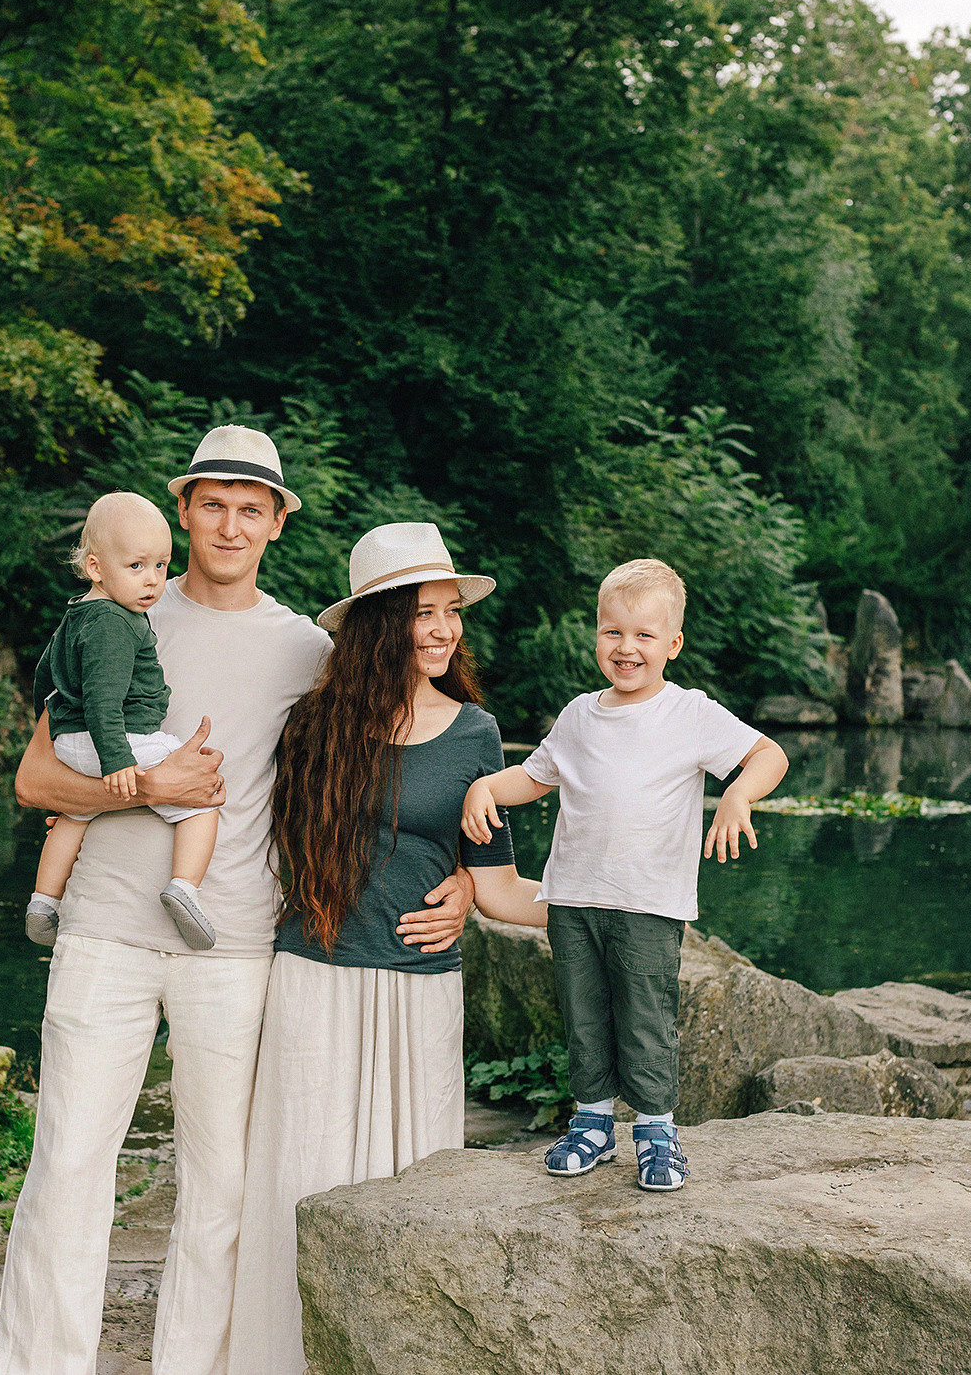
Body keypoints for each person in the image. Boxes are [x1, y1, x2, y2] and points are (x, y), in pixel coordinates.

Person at [0, 429, 474, 1375]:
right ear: (183, 511)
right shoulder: (118, 612)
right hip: (104, 935)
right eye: (212, 503)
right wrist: (144, 784)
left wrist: (460, 873)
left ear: (278, 522)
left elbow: (391, 766)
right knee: (67, 1172)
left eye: (251, 508)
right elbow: (37, 780)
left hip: (239, 947)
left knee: (218, 1192)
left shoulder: (306, 650)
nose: (230, 524)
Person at [229, 522, 549, 1375]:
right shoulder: (311, 726)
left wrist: (602, 901)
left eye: (451, 612)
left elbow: (505, 882)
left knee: (416, 1188)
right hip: (316, 978)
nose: (444, 629)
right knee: (303, 1179)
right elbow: (242, 838)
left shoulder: (478, 734)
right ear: (378, 624)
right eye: (424, 613)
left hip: (420, 990)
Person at [462, 557, 788, 1191]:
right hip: (573, 900)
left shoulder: (690, 713)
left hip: (648, 903)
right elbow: (533, 776)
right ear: (597, 637)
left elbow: (767, 755)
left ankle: (657, 1130)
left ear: (673, 644)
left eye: (644, 635)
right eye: (614, 632)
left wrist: (740, 796)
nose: (627, 648)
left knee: (644, 1016)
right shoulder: (581, 715)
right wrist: (484, 788)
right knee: (583, 1014)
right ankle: (591, 1123)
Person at [24, 490, 219, 951]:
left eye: (160, 566)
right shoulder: (114, 623)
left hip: (72, 738)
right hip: (115, 738)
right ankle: (184, 889)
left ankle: (42, 903)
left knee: (75, 814)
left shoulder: (78, 614)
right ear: (96, 568)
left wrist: (53, 730)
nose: (152, 581)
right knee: (201, 795)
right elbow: (104, 703)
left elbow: (43, 677)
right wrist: (117, 762)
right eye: (136, 567)